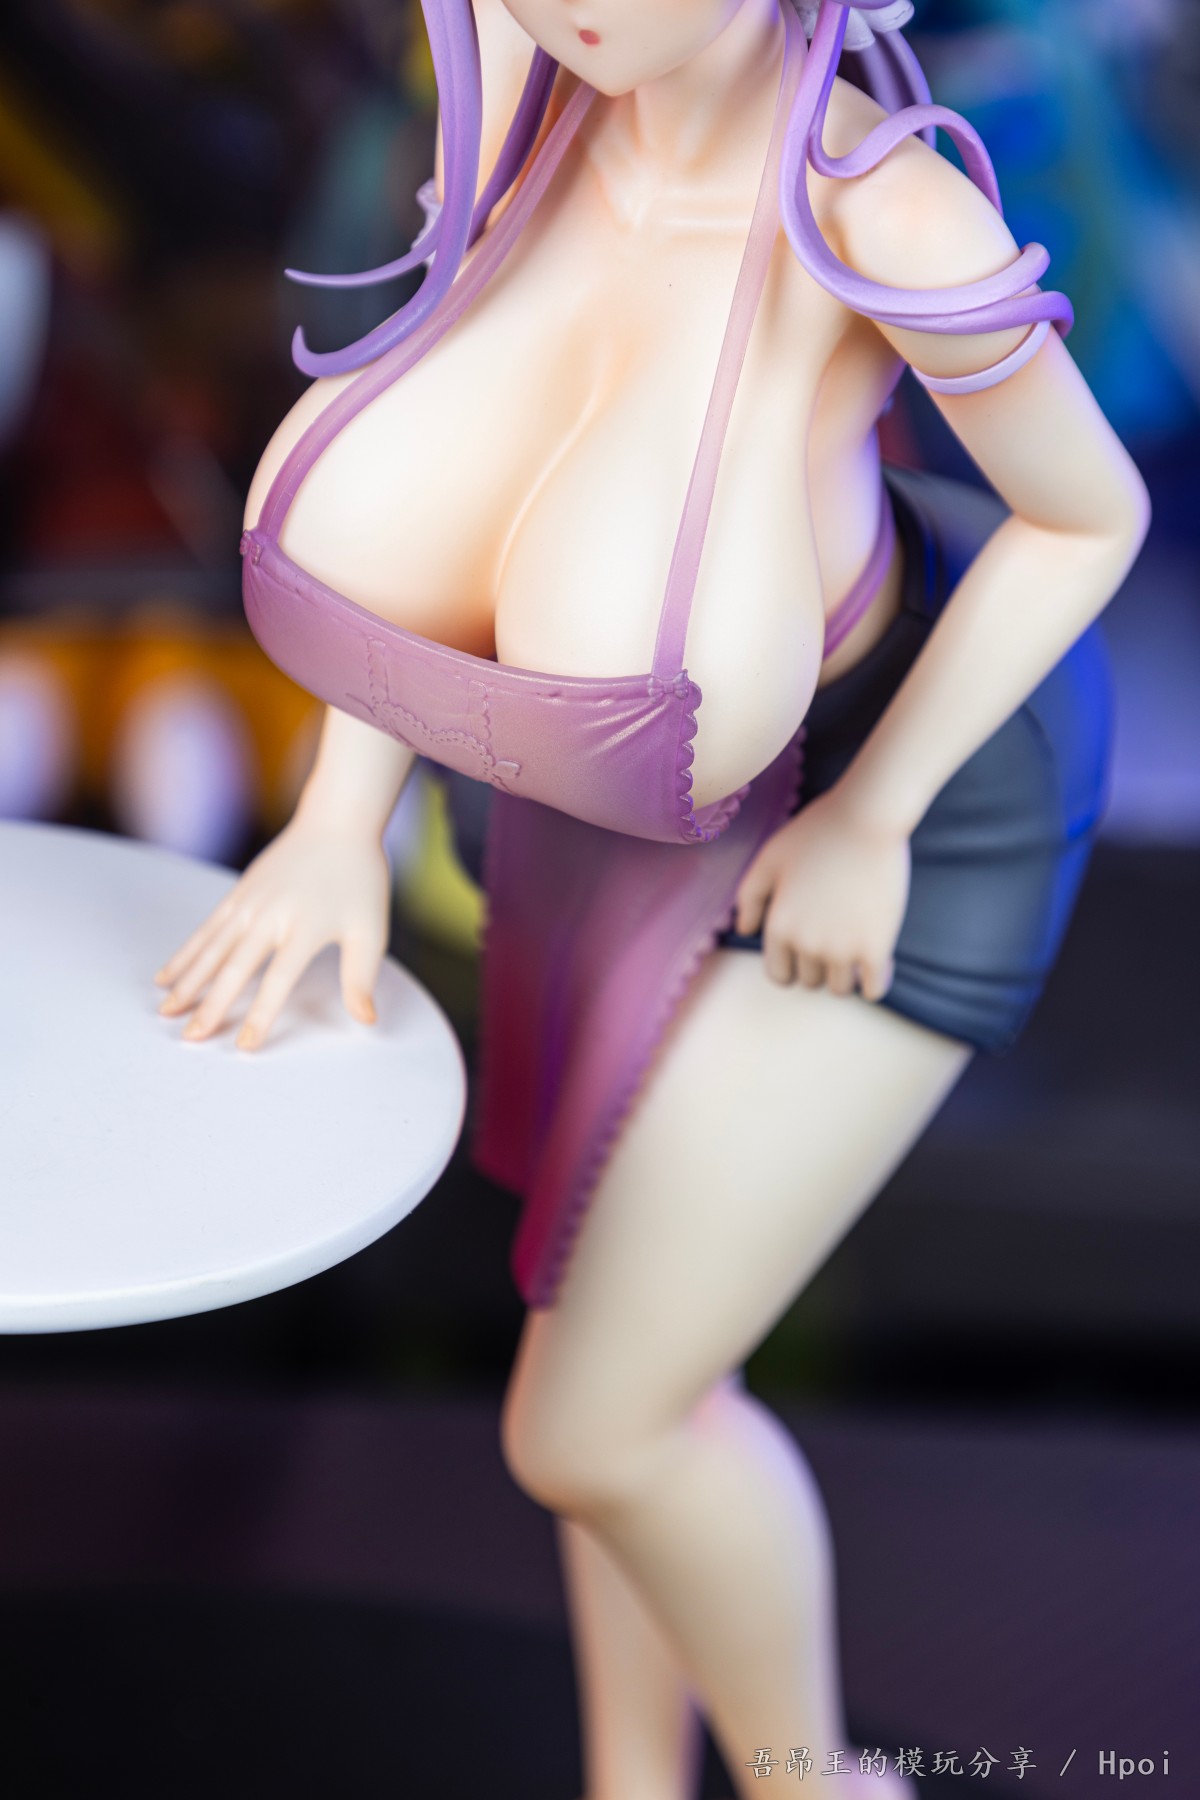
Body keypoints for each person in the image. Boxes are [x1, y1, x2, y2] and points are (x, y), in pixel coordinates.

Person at [154, 2, 1149, 1794]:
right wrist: (334, 821)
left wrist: (881, 817)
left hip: (893, 803)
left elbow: (1087, 517)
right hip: (612, 808)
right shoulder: (530, 112)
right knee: (616, 1346)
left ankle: (813, 1781)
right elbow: (442, 526)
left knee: (595, 1425)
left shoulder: (876, 208)